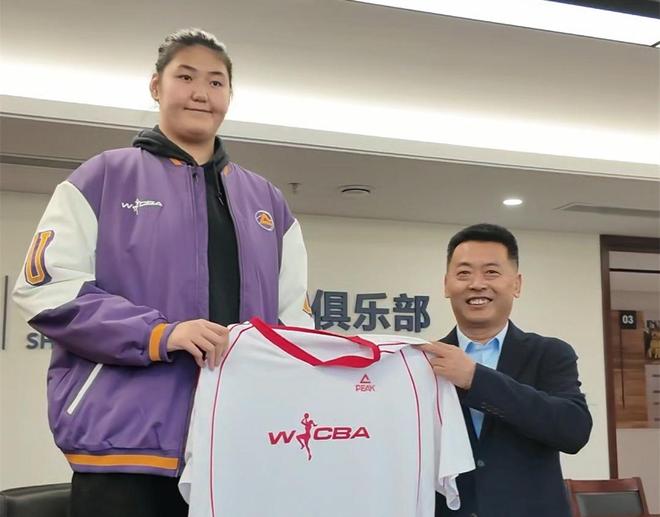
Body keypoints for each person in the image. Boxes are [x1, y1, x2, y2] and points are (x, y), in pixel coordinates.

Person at [12, 28, 311, 517]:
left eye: (216, 82)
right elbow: (46, 289)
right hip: (124, 447)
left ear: (229, 96)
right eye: (185, 77)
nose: (201, 93)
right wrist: (160, 334)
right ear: (156, 86)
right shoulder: (103, 177)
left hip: (237, 447)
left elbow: (294, 323)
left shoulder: (267, 202)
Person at [420, 223, 592, 517]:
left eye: (491, 272)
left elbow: (573, 431)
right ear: (446, 284)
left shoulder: (549, 353)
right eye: (464, 273)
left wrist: (476, 379)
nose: (477, 284)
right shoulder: (423, 361)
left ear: (516, 284)